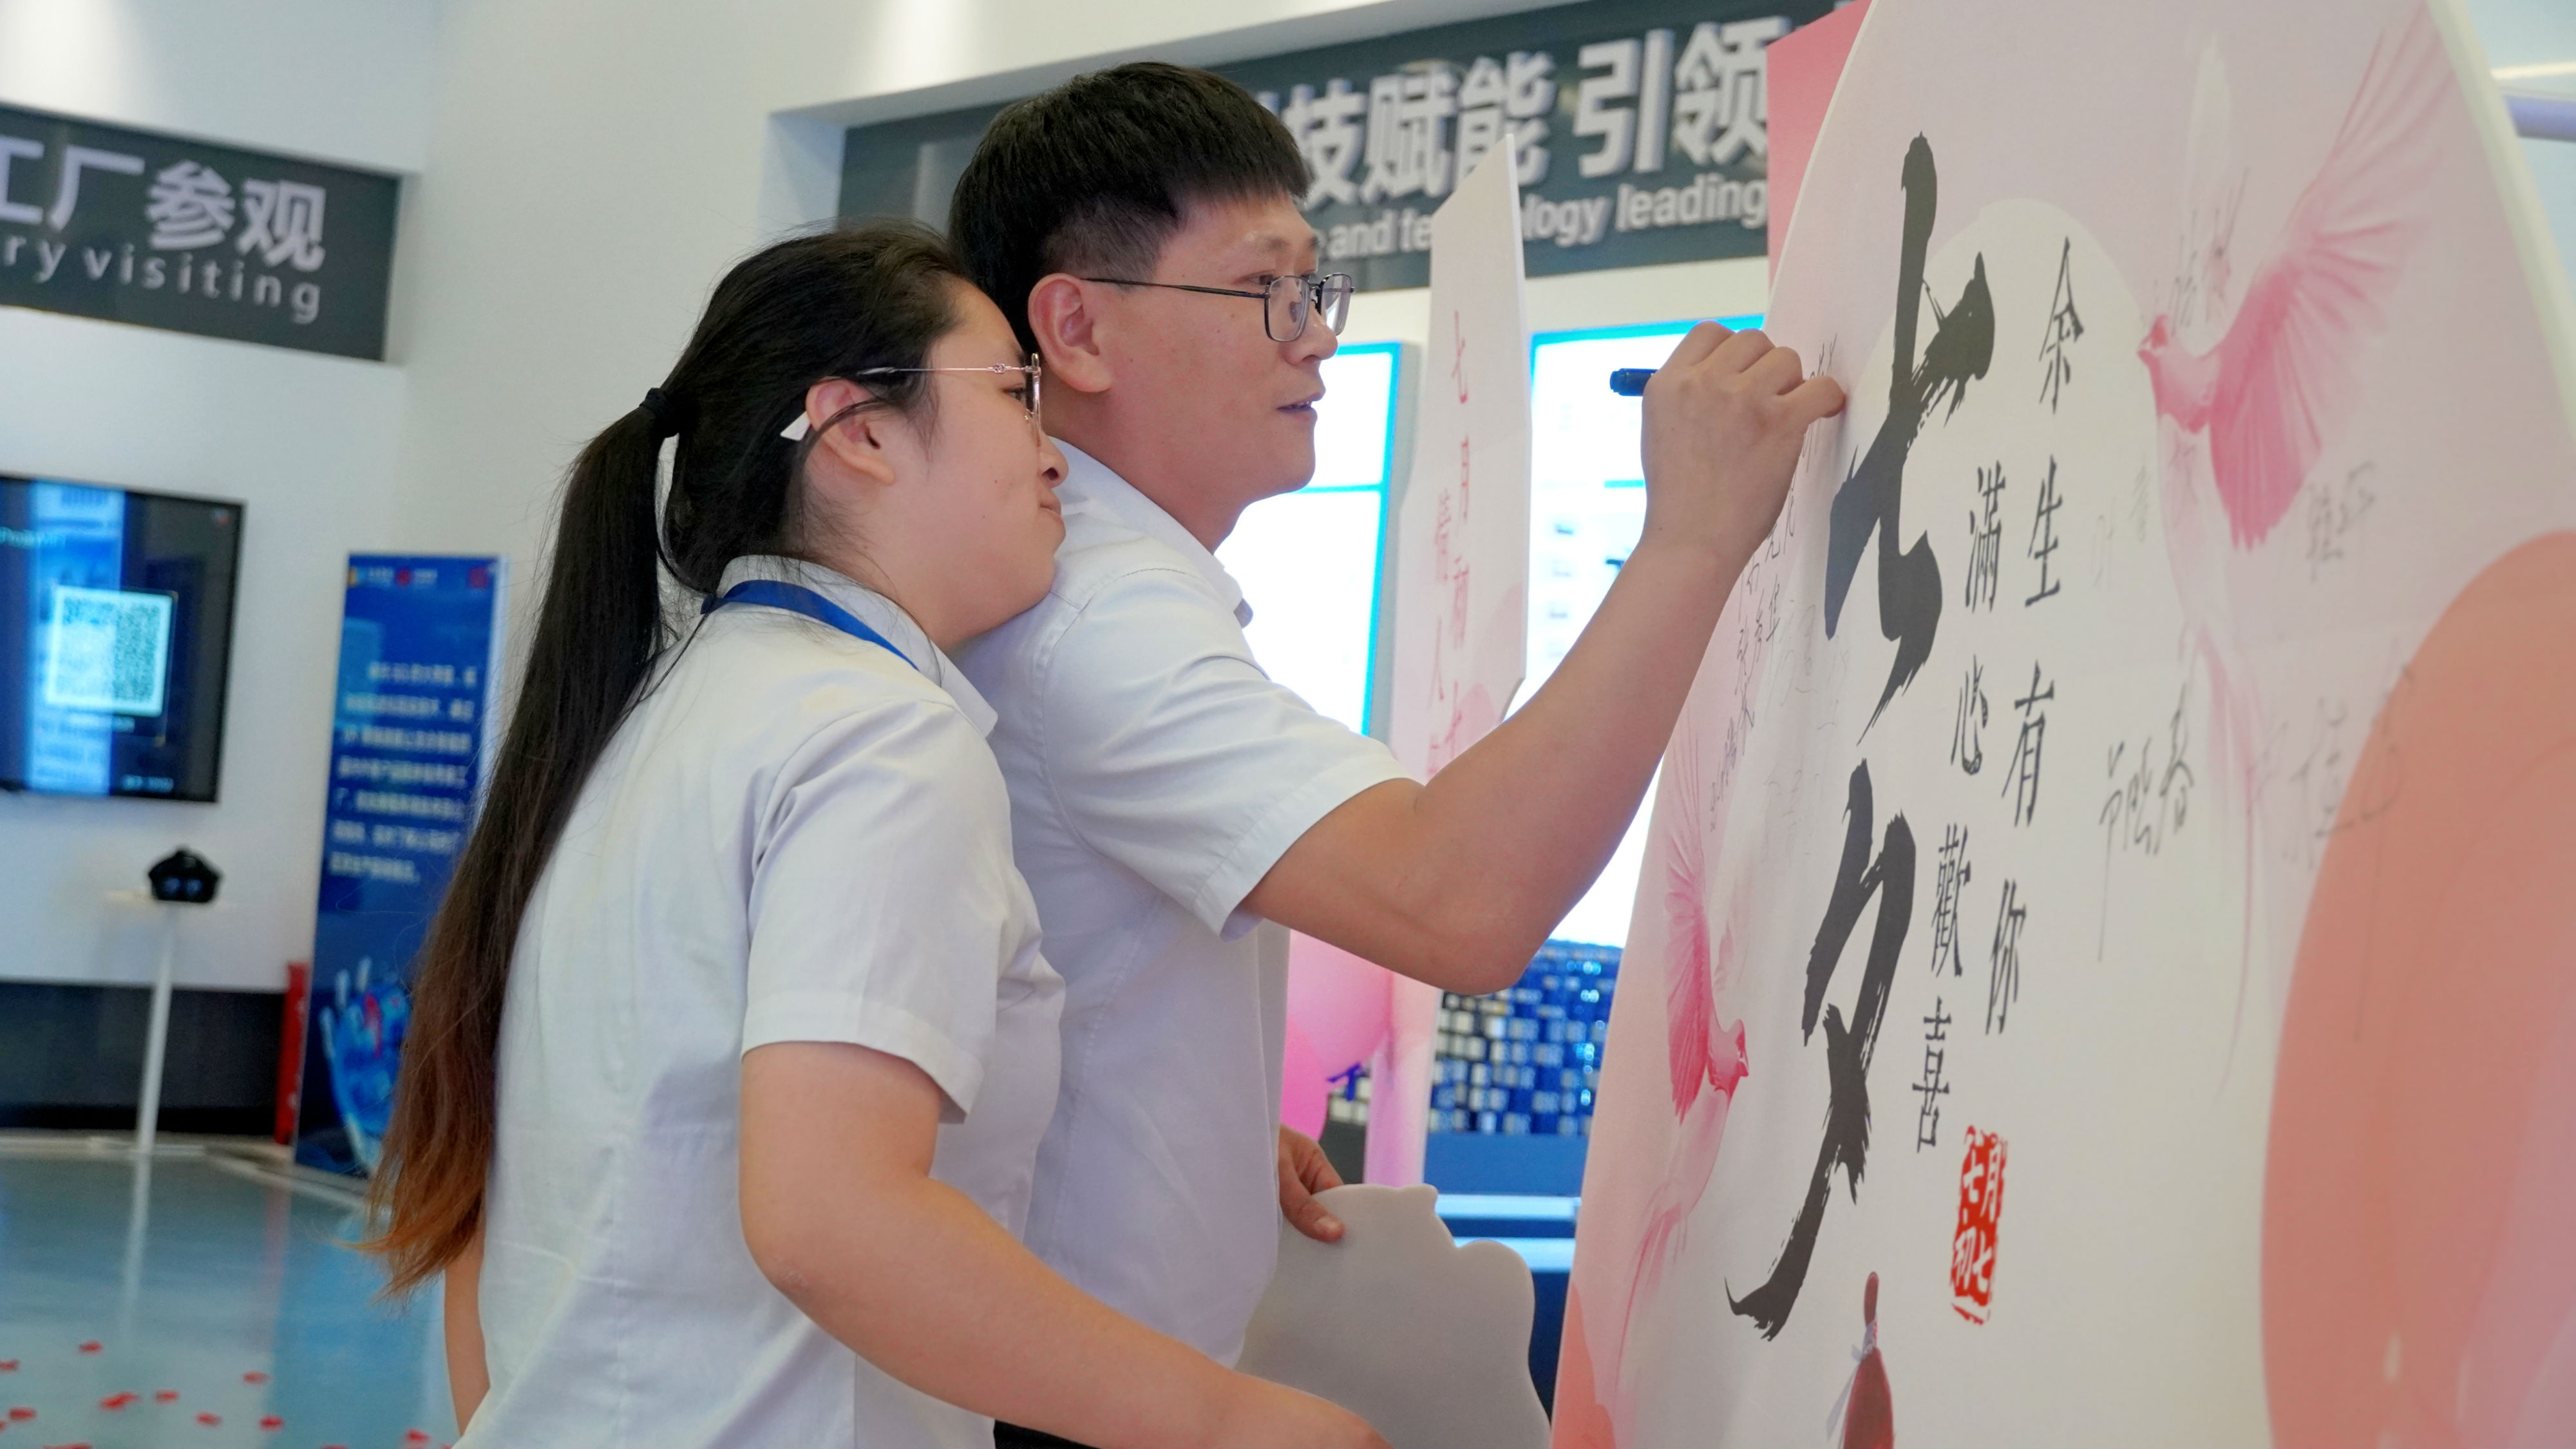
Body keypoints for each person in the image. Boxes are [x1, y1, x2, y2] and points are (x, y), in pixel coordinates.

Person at [365, 225, 1387, 1449]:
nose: (1054, 452)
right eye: (1013, 393)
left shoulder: (660, 714)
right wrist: (1233, 1422)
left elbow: (544, 1195)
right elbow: (832, 1217)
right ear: (857, 431)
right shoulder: (879, 740)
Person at [947, 62, 1844, 1445]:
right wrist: (1691, 536)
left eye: (1316, 287)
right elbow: (1458, 901)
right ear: (1077, 327)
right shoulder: (1096, 622)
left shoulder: (1102, 587)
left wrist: (1185, 1125)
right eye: (1265, 290)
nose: (1314, 338)